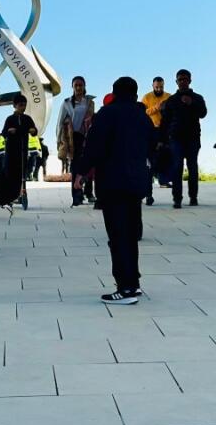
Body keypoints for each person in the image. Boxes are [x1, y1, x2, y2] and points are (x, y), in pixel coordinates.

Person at [78, 76, 154, 304]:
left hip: (113, 183)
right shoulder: (143, 116)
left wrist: (81, 173)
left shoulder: (107, 114)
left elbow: (93, 146)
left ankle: (126, 288)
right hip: (136, 183)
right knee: (130, 235)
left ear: (115, 92)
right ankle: (134, 282)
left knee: (118, 236)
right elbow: (154, 144)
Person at [159, 69, 207, 208]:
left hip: (193, 137)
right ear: (176, 82)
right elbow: (165, 121)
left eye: (185, 79)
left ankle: (193, 197)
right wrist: (161, 140)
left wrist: (191, 103)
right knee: (177, 167)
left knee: (192, 167)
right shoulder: (171, 100)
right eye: (180, 79)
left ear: (190, 81)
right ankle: (177, 198)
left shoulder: (197, 98)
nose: (183, 82)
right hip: (176, 138)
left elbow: (203, 113)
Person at [58, 76, 96, 206]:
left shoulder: (89, 102)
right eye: (76, 85)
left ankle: (89, 192)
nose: (79, 87)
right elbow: (60, 122)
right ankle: (76, 196)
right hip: (73, 139)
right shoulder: (67, 103)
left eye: (81, 85)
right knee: (75, 168)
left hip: (87, 137)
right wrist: (59, 141)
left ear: (84, 86)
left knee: (89, 165)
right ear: (72, 87)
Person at [1, 96, 38, 209]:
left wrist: (33, 131)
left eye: (24, 104)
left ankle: (22, 193)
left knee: (22, 172)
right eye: (20, 105)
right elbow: (4, 133)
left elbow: (34, 131)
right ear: (15, 105)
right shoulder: (10, 119)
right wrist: (9, 131)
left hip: (23, 149)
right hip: (11, 150)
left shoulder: (27, 118)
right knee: (10, 172)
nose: (23, 107)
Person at [140, 76, 170, 206]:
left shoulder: (169, 96)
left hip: (165, 130)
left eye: (161, 87)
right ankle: (148, 192)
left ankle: (163, 180)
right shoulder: (146, 97)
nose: (159, 89)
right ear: (153, 86)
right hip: (150, 131)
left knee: (164, 157)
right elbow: (143, 112)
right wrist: (156, 108)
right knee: (149, 161)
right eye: (157, 87)